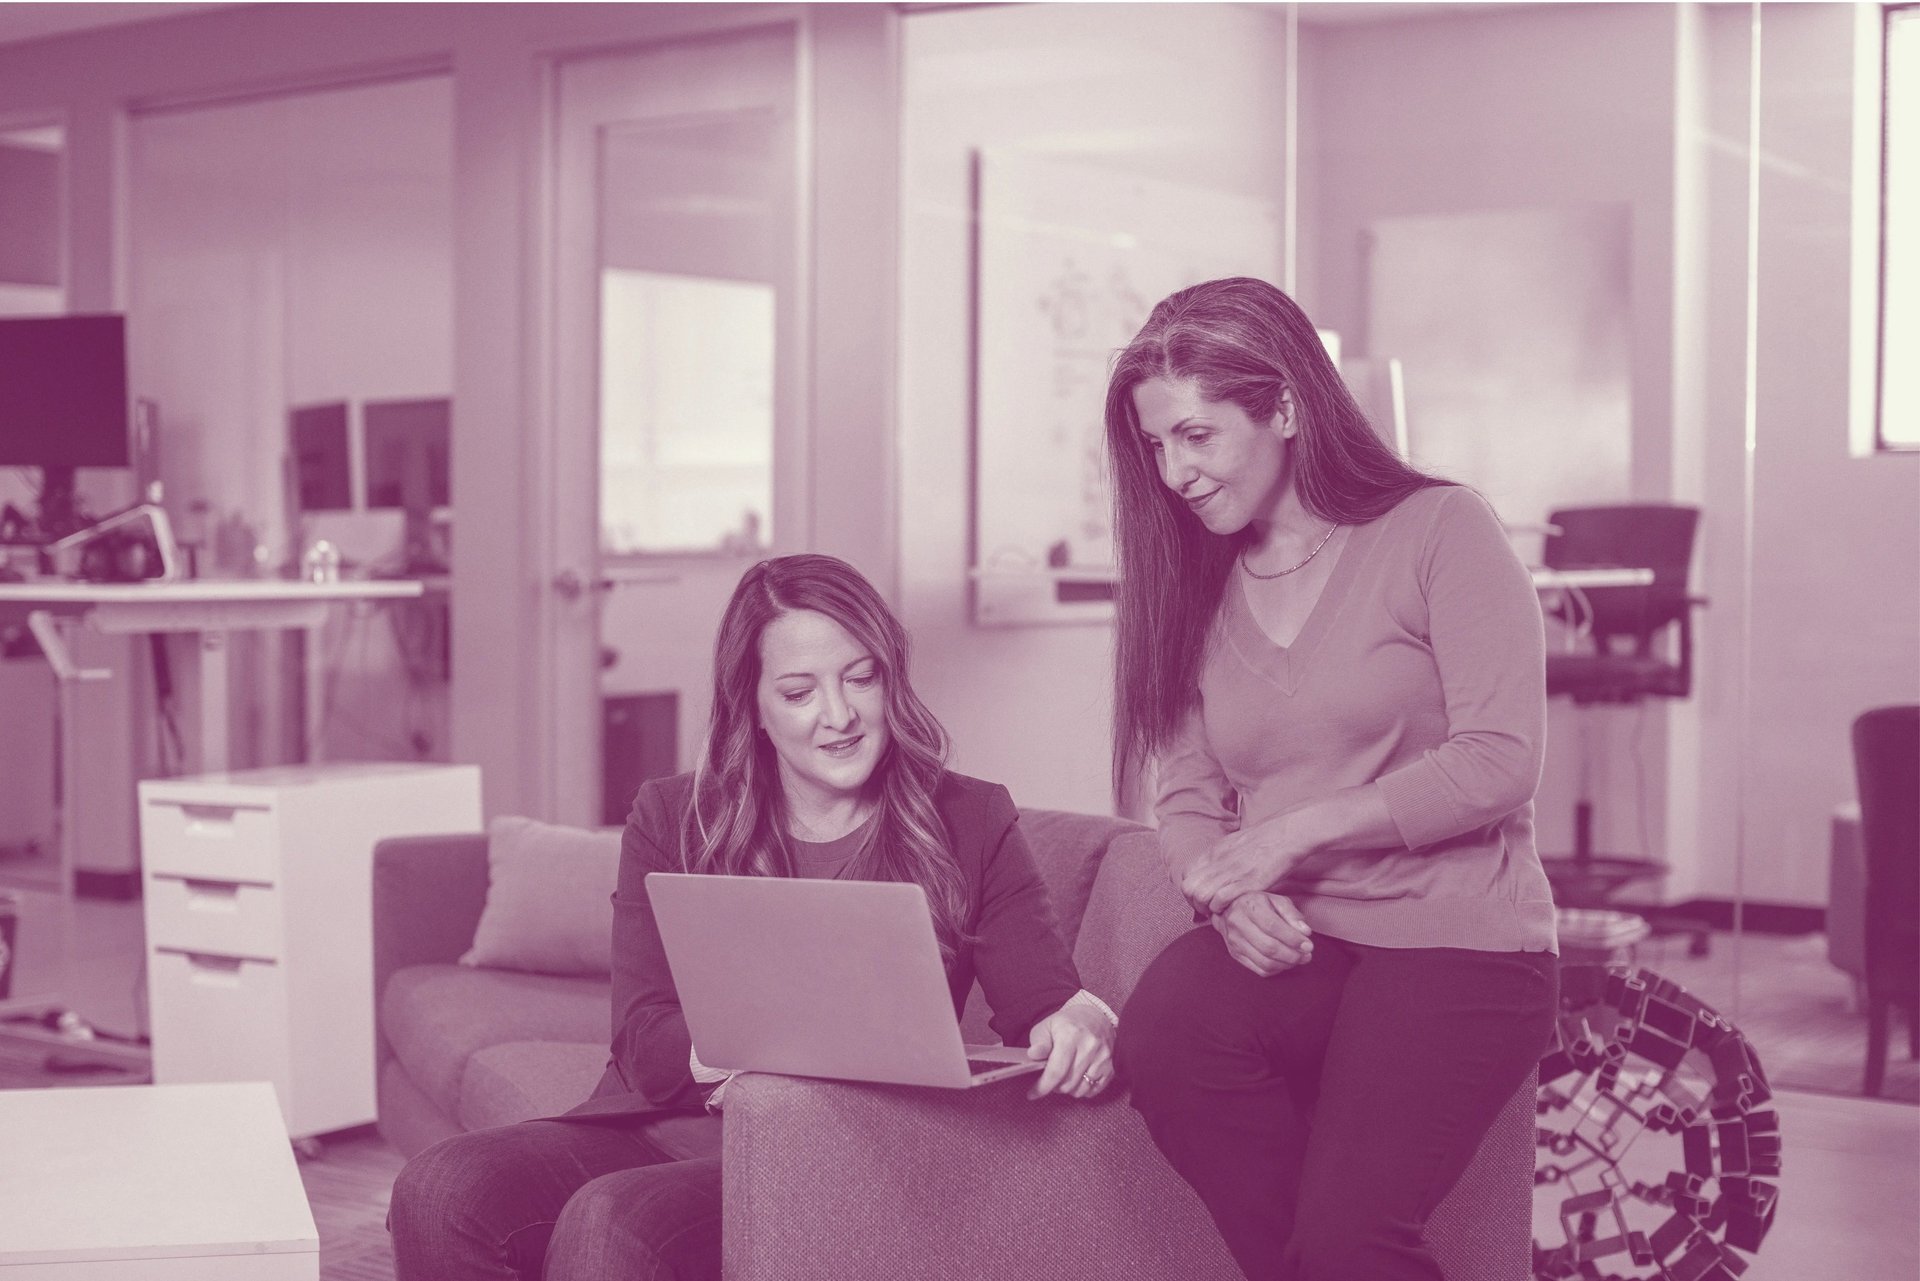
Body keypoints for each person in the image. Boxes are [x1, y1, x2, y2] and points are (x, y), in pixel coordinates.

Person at [390, 553, 1117, 1281]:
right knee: (439, 1189)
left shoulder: (969, 816)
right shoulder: (673, 816)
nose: (839, 715)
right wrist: (748, 1043)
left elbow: (1043, 1005)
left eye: (860, 677)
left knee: (614, 1221)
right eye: (799, 691)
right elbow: (644, 1039)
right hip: (660, 1125)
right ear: (754, 706)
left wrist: (1079, 1023)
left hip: (835, 1148)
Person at [1103, 277, 1558, 1281]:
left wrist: (1287, 838)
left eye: (1196, 436)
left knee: (1350, 1240)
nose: (1174, 472)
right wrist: (1226, 891)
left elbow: (1500, 761)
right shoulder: (1190, 581)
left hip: (1458, 940)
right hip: (1300, 943)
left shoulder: (1442, 530)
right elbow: (1184, 797)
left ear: (1284, 408)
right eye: (1156, 447)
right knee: (1169, 1031)